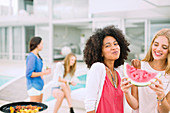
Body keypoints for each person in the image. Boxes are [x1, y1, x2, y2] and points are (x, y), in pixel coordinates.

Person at [121, 28, 170, 113]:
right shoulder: (139, 66)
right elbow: (135, 105)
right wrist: (126, 92)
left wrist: (161, 96)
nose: (158, 49)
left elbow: (164, 111)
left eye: (164, 47)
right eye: (156, 44)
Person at [84, 25, 130, 113]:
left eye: (116, 44)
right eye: (108, 46)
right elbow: (89, 105)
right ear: (100, 52)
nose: (114, 47)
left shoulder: (120, 71)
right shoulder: (98, 68)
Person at [26, 36, 51, 102]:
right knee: (35, 110)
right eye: (42, 44)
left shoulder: (37, 56)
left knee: (39, 109)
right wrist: (44, 73)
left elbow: (37, 71)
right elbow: (29, 74)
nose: (43, 46)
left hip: (39, 86)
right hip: (34, 87)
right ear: (37, 44)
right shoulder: (32, 56)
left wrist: (42, 73)